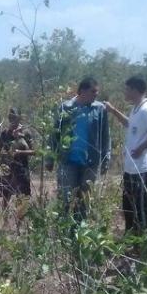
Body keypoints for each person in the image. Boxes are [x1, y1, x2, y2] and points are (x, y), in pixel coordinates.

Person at [104, 76, 147, 233]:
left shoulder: (146, 110)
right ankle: (131, 236)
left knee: (140, 204)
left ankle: (142, 240)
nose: (125, 92)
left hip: (141, 167)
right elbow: (129, 124)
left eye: (127, 89)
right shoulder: (136, 108)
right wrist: (113, 111)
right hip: (131, 166)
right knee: (128, 203)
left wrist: (141, 148)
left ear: (135, 90)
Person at [47, 77, 111, 222]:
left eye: (97, 92)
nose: (96, 94)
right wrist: (50, 158)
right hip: (68, 161)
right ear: (82, 91)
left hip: (90, 162)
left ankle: (79, 234)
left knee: (84, 200)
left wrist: (106, 159)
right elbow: (54, 134)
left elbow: (106, 136)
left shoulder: (100, 109)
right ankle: (64, 233)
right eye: (93, 91)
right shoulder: (65, 108)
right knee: (66, 198)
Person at [0, 108, 34, 227]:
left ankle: (20, 224)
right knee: (5, 195)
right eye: (10, 118)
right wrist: (4, 158)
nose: (12, 120)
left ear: (19, 118)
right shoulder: (4, 133)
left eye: (14, 117)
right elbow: (0, 151)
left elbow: (34, 151)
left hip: (22, 169)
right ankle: (5, 222)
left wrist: (20, 152)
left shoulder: (26, 132)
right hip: (8, 168)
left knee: (22, 197)